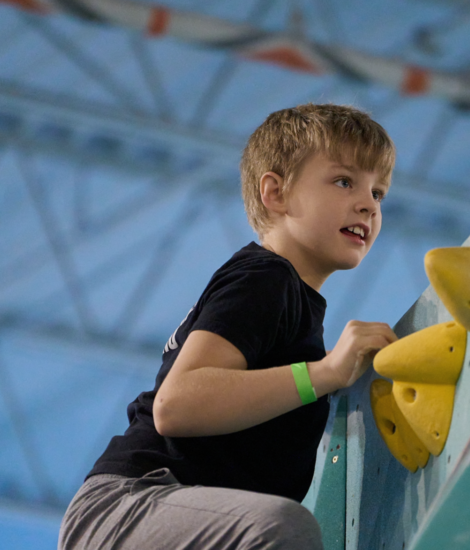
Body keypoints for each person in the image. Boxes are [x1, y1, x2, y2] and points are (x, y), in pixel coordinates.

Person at [58, 103, 398, 550]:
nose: (366, 204)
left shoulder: (291, 307)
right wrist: (327, 373)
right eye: (343, 181)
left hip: (146, 516)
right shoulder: (267, 278)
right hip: (130, 505)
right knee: (281, 527)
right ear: (274, 194)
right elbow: (176, 405)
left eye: (379, 194)